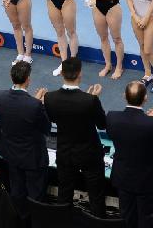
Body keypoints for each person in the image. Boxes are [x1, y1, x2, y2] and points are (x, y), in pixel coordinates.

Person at [44, 57, 107, 217]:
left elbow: (52, 119)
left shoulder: (50, 98)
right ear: (80, 74)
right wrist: (93, 99)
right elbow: (102, 124)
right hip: (89, 154)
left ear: (62, 74)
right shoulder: (90, 101)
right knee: (96, 196)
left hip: (65, 152)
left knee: (64, 194)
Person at [106, 81, 153, 228]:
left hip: (123, 178)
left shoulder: (112, 117)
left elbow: (112, 134)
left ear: (124, 96)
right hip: (148, 180)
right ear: (146, 98)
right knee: (147, 221)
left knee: (126, 218)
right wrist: (152, 119)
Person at [0, 61, 50, 214]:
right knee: (36, 195)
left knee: (17, 192)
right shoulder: (35, 106)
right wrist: (40, 104)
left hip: (12, 155)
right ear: (28, 79)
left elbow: (19, 110)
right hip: (32, 158)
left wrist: (35, 102)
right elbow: (46, 128)